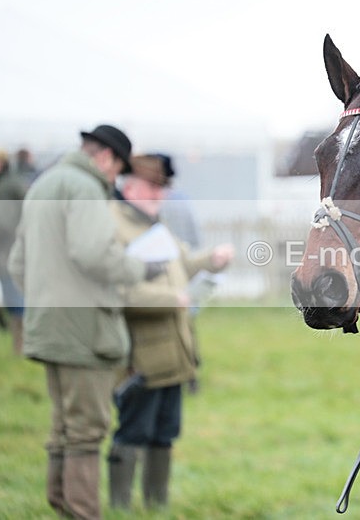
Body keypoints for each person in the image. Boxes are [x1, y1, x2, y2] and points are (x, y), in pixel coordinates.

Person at [7, 124, 163, 520]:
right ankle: (82, 513)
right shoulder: (85, 187)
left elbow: (17, 264)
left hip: (48, 326)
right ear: (107, 157)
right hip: (85, 332)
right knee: (87, 431)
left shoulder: (45, 184)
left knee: (64, 427)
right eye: (119, 170)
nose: (116, 179)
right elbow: (95, 254)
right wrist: (139, 269)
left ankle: (61, 506)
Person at [107, 154, 233, 510]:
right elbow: (117, 293)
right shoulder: (113, 228)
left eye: (160, 190)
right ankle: (119, 507)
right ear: (128, 185)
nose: (158, 196)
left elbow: (182, 265)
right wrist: (170, 299)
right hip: (140, 356)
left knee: (164, 433)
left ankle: (154, 506)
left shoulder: (154, 225)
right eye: (151, 188)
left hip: (174, 354)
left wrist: (211, 260)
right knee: (133, 431)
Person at [0, 148, 29, 352]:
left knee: (16, 301)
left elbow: (4, 223)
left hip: (7, 251)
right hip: (12, 248)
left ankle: (21, 347)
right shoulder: (8, 182)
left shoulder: (4, 187)